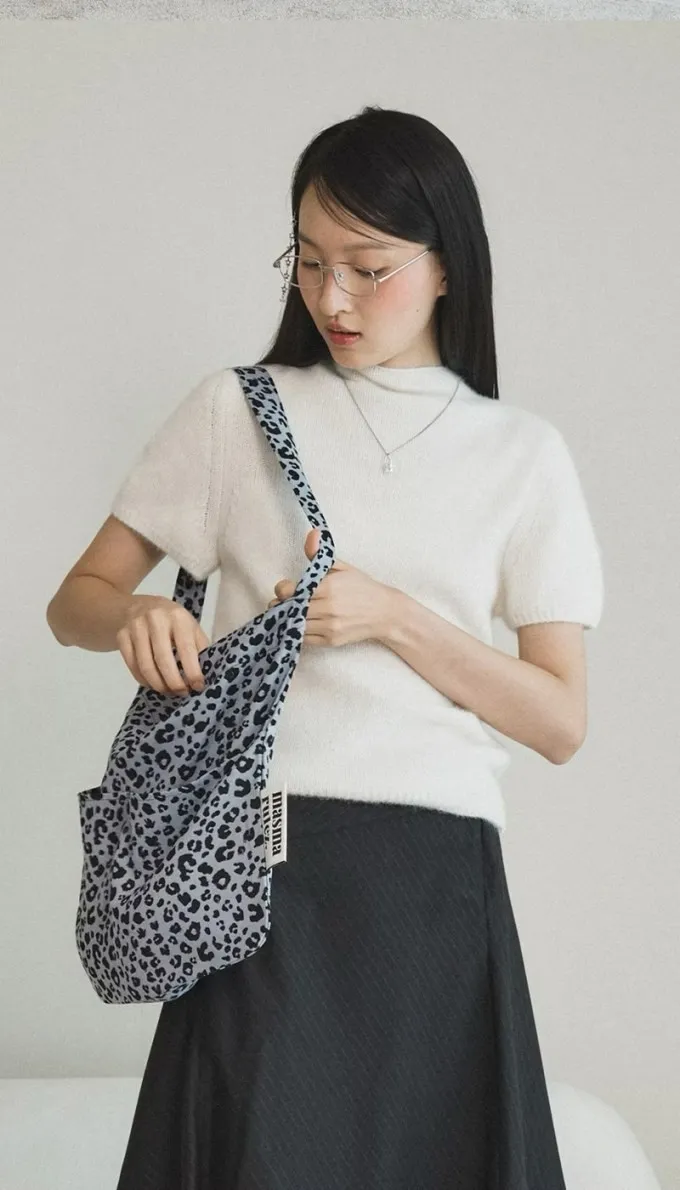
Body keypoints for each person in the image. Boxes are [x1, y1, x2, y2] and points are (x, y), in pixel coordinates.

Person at [46, 105, 604, 1189]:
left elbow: (559, 719)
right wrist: (137, 619)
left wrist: (395, 617)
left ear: (446, 267)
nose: (332, 297)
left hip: (436, 881)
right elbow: (78, 600)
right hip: (263, 860)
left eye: (367, 266)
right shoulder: (235, 412)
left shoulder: (523, 456)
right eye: (307, 262)